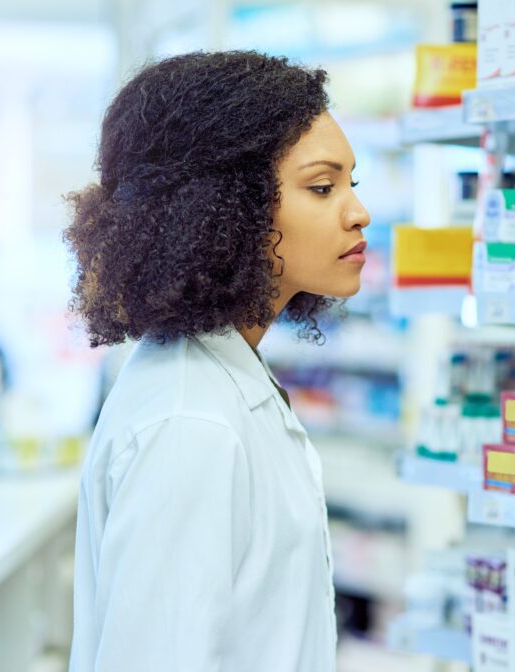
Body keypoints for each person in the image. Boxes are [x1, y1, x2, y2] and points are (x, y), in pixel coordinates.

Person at [64, 51, 370, 671]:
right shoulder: (190, 426)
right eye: (321, 187)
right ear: (228, 208)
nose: (357, 211)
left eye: (350, 184)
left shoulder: (223, 377)